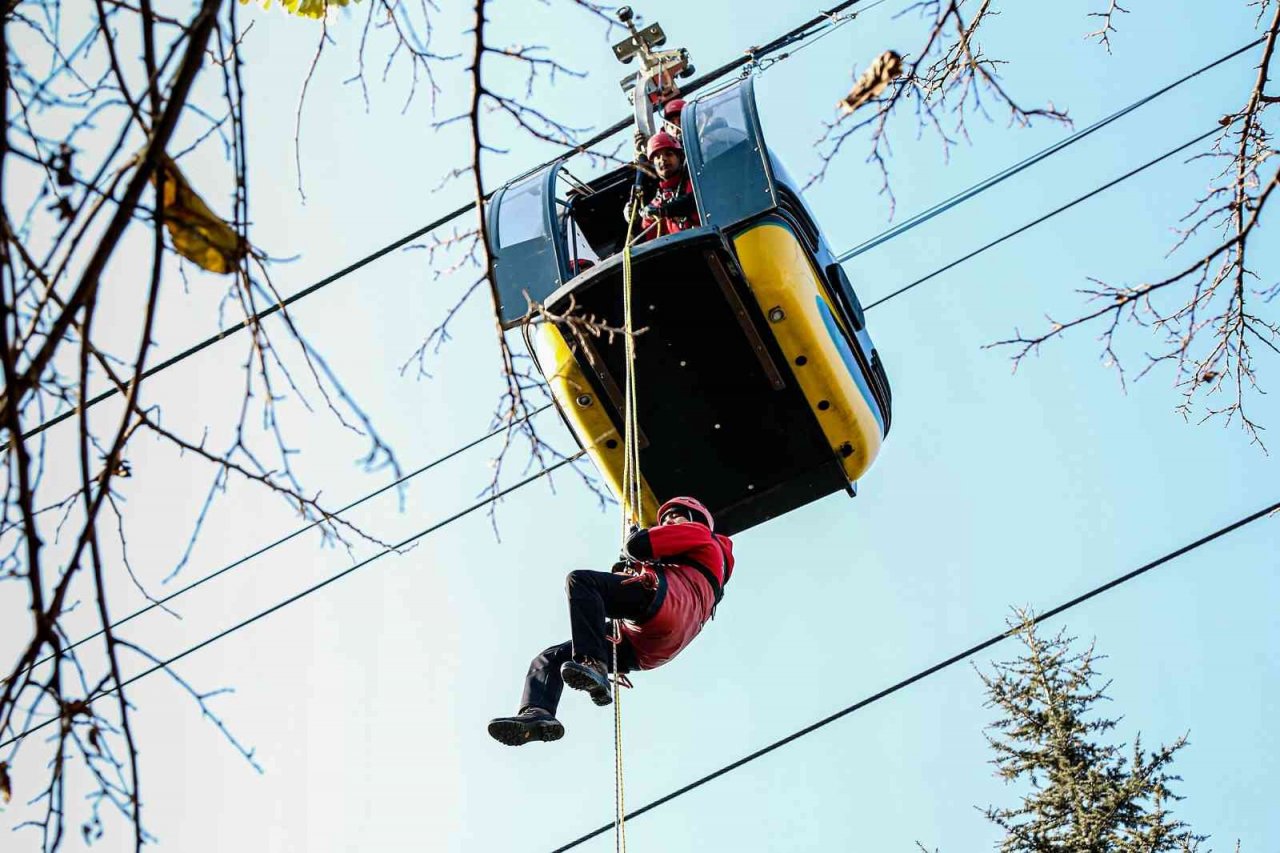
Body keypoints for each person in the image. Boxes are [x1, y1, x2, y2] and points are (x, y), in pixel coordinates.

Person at [487, 496, 735, 746]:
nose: (669, 521)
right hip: (650, 645)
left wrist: (637, 541)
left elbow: (639, 546)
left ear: (696, 519)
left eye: (676, 515)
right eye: (666, 517)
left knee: (582, 582)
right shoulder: (703, 566)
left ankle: (594, 664)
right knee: (550, 658)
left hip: (665, 606)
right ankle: (537, 713)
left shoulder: (700, 533)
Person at [632, 131, 699, 241]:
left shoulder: (695, 181)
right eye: (657, 157)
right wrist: (636, 220)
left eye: (668, 154)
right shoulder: (656, 204)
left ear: (680, 157)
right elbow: (646, 239)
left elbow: (695, 200)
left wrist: (664, 211)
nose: (662, 159)